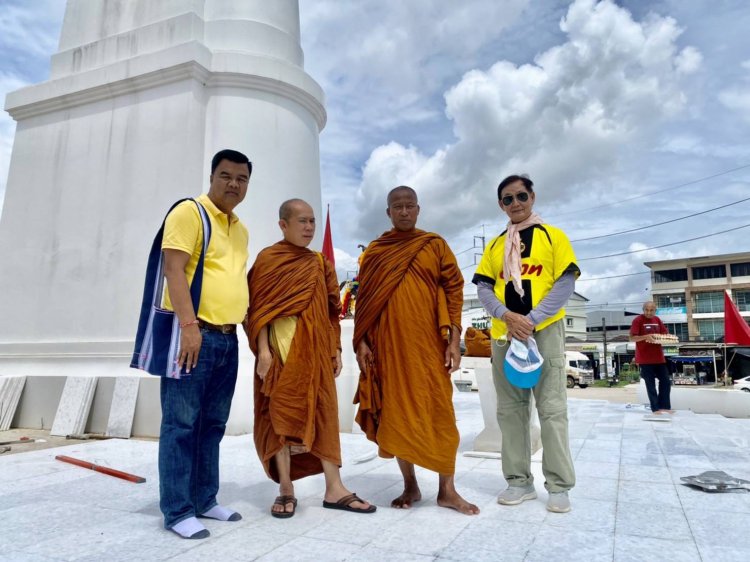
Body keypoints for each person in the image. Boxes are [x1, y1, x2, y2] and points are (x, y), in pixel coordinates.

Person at [245, 199, 375, 518]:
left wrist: (336, 349)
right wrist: (262, 351)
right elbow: (256, 311)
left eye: (312, 222)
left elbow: (333, 311)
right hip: (278, 354)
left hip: (316, 354)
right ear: (283, 225)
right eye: (301, 221)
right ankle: (286, 488)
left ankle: (335, 488)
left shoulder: (319, 263)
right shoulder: (268, 260)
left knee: (324, 415)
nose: (308, 228)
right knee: (277, 418)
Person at [354, 185, 479, 515]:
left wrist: (454, 341)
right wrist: (362, 342)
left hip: (429, 348)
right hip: (389, 348)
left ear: (419, 209)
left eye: (410, 206)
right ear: (388, 212)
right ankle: (410, 484)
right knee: (397, 414)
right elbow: (364, 300)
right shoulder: (377, 252)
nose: (404, 211)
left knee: (440, 412)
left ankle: (447, 489)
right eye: (398, 206)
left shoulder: (434, 245)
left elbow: (454, 289)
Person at [473, 174, 579, 513]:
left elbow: (564, 283)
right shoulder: (494, 245)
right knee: (510, 412)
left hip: (544, 331)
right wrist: (508, 318)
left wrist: (530, 320)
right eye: (507, 199)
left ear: (532, 196)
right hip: (505, 336)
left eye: (521, 196)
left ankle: (559, 485)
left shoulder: (553, 237)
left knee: (551, 409)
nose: (515, 203)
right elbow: (484, 289)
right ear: (500, 205)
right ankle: (518, 481)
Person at [159, 149, 251, 539]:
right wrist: (188, 325)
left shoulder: (240, 229)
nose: (233, 184)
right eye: (225, 175)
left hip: (228, 340)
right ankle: (178, 511)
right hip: (194, 336)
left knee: (212, 425)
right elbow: (173, 268)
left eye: (241, 179)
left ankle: (204, 499)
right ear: (212, 176)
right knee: (181, 425)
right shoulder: (189, 213)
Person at [629, 301, 673, 414]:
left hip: (659, 357)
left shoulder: (657, 320)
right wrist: (646, 337)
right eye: (646, 310)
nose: (649, 312)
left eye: (651, 310)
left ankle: (665, 407)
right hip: (644, 358)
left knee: (666, 382)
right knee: (651, 384)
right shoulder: (637, 320)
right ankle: (655, 408)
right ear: (643, 310)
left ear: (655, 310)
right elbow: (632, 338)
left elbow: (664, 334)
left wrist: (668, 338)